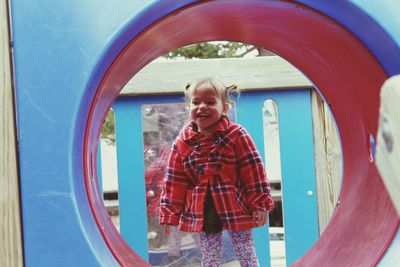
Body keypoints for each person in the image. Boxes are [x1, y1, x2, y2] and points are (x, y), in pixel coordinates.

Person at [159, 77, 274, 266]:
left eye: (210, 102)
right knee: (210, 253)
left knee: (245, 248)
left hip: (235, 202)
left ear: (225, 108)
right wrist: (169, 214)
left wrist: (259, 204)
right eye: (196, 102)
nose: (202, 107)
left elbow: (253, 170)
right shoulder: (183, 142)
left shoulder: (236, 134)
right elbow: (174, 180)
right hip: (203, 206)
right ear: (189, 107)